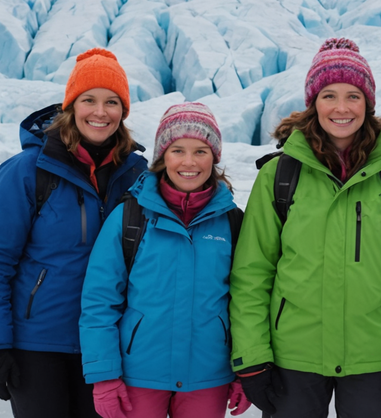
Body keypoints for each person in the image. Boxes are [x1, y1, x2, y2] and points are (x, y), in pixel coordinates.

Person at [229, 38, 381, 418]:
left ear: (369, 103)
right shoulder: (279, 177)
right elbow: (252, 273)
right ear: (313, 103)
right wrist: (254, 357)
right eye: (329, 95)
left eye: (353, 96)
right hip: (292, 356)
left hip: (374, 357)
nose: (341, 108)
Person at [0, 48, 148, 418]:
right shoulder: (27, 172)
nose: (100, 112)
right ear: (71, 105)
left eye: (112, 102)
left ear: (124, 111)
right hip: (37, 345)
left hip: (107, 342)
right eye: (89, 100)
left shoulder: (137, 175)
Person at [79, 102, 252, 418]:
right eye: (177, 150)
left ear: (214, 157)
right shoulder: (129, 218)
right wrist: (104, 375)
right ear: (162, 157)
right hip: (139, 376)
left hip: (208, 376)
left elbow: (246, 301)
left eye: (201, 151)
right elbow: (99, 302)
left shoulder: (233, 222)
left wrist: (245, 369)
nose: (189, 162)